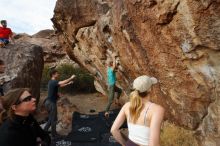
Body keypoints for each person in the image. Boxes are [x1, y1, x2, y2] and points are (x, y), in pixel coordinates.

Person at [111, 75, 165, 146]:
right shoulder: (157, 110)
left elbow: (113, 130)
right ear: (149, 89)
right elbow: (153, 144)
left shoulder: (127, 105)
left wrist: (125, 144)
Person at [44, 69, 76, 137]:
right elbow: (62, 82)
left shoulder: (51, 82)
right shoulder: (53, 81)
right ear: (53, 74)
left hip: (48, 102)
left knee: (51, 118)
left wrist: (68, 84)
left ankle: (44, 131)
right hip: (51, 103)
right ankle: (54, 134)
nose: (58, 74)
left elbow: (61, 85)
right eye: (57, 73)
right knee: (54, 119)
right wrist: (71, 78)